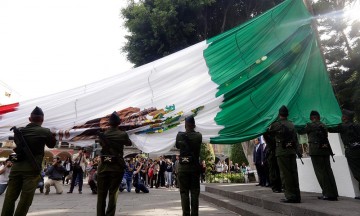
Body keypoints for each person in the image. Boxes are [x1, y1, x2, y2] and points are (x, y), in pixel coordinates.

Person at [1, 106, 57, 216]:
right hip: (32, 169)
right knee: (25, 200)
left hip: (16, 169)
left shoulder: (20, 131)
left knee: (10, 198)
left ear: (29, 119)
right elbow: (52, 144)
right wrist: (52, 135)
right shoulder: (44, 131)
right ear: (42, 120)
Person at [96, 111, 132, 216]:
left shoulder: (103, 134)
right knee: (113, 193)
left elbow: (100, 143)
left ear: (109, 123)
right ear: (119, 123)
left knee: (101, 195)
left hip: (103, 167)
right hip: (116, 167)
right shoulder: (122, 134)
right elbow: (128, 143)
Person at [298, 111, 338, 201]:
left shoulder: (310, 125)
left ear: (312, 118)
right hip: (325, 149)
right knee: (328, 170)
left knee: (321, 172)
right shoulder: (323, 125)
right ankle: (334, 192)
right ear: (319, 117)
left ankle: (328, 194)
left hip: (316, 150)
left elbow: (301, 131)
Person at [266, 105, 301, 203]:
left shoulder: (276, 124)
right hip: (292, 151)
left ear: (279, 114)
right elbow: (295, 139)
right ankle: (297, 195)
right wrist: (298, 150)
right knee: (294, 173)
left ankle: (290, 196)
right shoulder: (292, 124)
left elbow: (267, 131)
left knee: (285, 174)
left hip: (282, 151)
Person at [328, 109, 360, 199]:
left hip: (351, 151)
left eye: (343, 116)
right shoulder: (357, 125)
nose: (341, 117)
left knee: (357, 172)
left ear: (345, 117)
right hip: (358, 149)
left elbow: (330, 129)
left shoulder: (343, 126)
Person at [176, 115, 202, 216]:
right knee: (195, 193)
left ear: (185, 125)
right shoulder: (198, 136)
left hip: (183, 168)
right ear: (194, 125)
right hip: (194, 168)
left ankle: (185, 214)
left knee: (184, 193)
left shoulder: (179, 136)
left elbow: (177, 146)